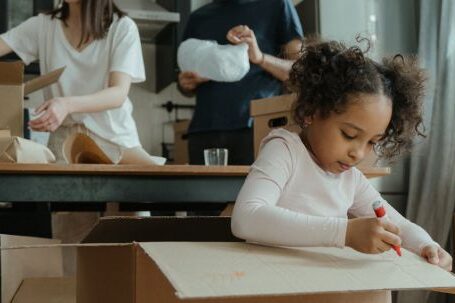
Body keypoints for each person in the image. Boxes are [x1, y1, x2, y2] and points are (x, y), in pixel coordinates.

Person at [231, 37, 452, 271]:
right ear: (311, 112)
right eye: (349, 134)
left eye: (372, 142)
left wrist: (427, 245)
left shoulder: (351, 178)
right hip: (271, 279)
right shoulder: (285, 149)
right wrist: (344, 232)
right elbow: (246, 218)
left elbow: (398, 225)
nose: (358, 153)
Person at [0, 0, 157, 165]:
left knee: (159, 184)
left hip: (113, 140)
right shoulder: (44, 26)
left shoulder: (122, 27)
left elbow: (118, 93)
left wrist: (66, 105)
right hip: (63, 144)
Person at [178, 0, 303, 165]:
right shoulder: (197, 17)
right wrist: (185, 84)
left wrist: (260, 58)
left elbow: (300, 72)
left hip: (256, 128)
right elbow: (185, 84)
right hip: (203, 131)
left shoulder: (277, 5)